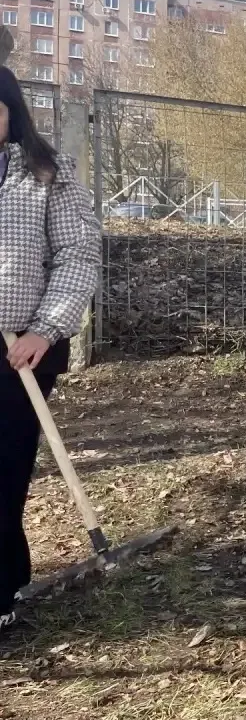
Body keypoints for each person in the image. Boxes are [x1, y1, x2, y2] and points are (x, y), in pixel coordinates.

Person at [0, 66, 100, 633]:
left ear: (10, 112)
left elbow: (78, 255)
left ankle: (2, 586)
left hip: (20, 346)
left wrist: (46, 328)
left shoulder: (45, 174)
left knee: (4, 466)